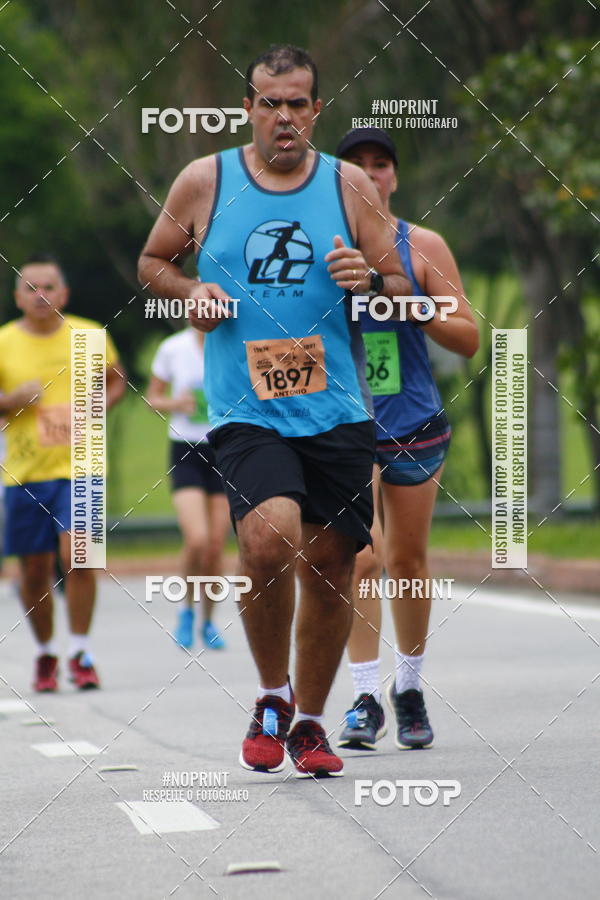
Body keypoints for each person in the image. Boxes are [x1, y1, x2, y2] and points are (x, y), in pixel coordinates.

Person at [138, 45, 412, 777]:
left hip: (336, 409)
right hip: (244, 407)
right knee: (267, 540)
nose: (283, 117)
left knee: (332, 566)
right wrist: (187, 291)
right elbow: (153, 262)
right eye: (269, 103)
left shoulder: (350, 186)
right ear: (249, 108)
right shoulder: (206, 180)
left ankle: (312, 724)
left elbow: (397, 283)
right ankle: (270, 696)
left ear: (316, 109)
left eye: (297, 103)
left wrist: (368, 279)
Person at [334, 128, 479, 752]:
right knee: (362, 558)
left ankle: (410, 687)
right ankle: (364, 696)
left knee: (408, 561)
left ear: (393, 176)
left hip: (412, 419)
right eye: (357, 166)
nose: (371, 175)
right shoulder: (320, 247)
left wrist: (406, 303)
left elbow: (468, 336)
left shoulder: (422, 245)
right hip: (339, 421)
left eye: (381, 165)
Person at [0, 254, 125, 692]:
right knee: (33, 570)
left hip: (83, 466)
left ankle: (80, 651)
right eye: (30, 288)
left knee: (80, 557)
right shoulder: (4, 342)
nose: (40, 295)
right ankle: (45, 653)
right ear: (17, 297)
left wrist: (95, 409)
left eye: (48, 287)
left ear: (64, 294)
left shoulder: (88, 334)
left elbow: (116, 380)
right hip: (25, 472)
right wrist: (12, 397)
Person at [147, 326, 229, 650]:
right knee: (197, 539)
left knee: (215, 545)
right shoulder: (172, 347)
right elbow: (152, 397)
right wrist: (173, 403)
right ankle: (185, 611)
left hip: (224, 449)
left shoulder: (232, 342)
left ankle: (208, 620)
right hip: (186, 450)